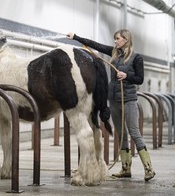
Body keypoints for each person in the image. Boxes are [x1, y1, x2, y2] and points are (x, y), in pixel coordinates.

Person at [66, 29, 156, 181]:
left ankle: (149, 168)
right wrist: (76, 37)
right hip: (113, 99)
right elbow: (95, 45)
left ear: (126, 40)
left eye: (118, 39)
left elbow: (140, 79)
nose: (115, 41)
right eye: (115, 39)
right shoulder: (113, 53)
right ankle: (126, 168)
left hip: (129, 100)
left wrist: (127, 76)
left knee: (134, 132)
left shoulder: (136, 58)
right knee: (121, 134)